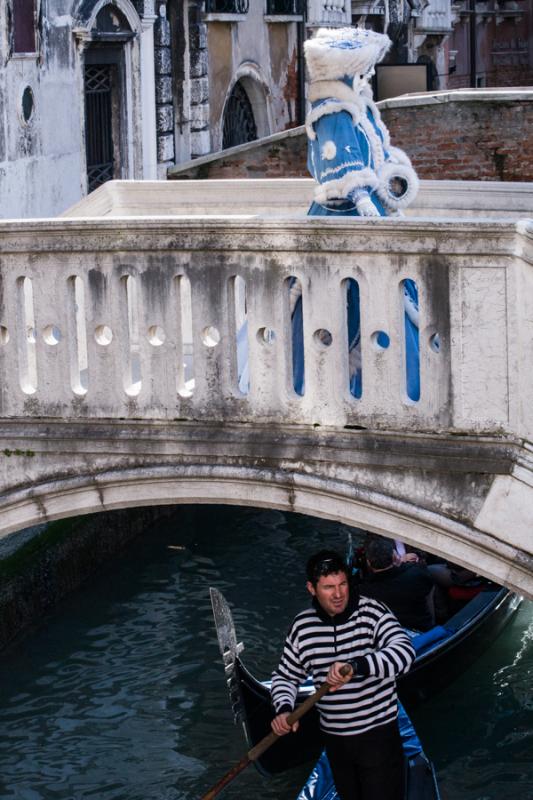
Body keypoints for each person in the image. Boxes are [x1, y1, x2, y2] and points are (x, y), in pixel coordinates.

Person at [303, 27, 421, 401]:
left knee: (390, 300)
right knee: (349, 306)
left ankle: (398, 386)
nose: (366, 76)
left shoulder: (361, 108)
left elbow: (381, 158)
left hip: (372, 214)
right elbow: (341, 169)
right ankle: (352, 388)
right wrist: (368, 208)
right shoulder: (331, 111)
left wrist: (393, 183)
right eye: (361, 70)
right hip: (341, 220)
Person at [271, 549, 415, 800]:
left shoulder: (373, 613)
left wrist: (356, 666)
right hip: (336, 742)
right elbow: (285, 677)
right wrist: (284, 709)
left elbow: (405, 654)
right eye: (328, 587)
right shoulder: (302, 627)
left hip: (378, 737)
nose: (338, 595)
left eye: (343, 584)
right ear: (311, 588)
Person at [360, 536, 436, 632]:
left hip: (391, 636)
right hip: (422, 630)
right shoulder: (416, 573)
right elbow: (428, 582)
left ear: (369, 563)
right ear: (395, 557)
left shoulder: (365, 592)